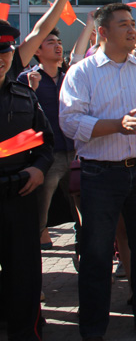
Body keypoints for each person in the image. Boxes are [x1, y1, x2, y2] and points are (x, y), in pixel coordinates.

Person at [58, 3, 136, 339]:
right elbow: (70, 121)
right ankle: (93, 326)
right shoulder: (82, 72)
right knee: (97, 252)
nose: (131, 29)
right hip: (100, 175)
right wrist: (115, 126)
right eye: (123, 24)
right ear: (103, 32)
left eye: (133, 23)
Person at [0, 21, 55, 341]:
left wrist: (38, 169)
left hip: (20, 192)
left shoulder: (23, 94)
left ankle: (25, 332)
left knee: (23, 272)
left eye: (5, 51)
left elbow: (44, 142)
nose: (2, 58)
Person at [18, 28, 78, 249]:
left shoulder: (69, 77)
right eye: (50, 42)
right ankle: (32, 258)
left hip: (74, 153)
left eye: (59, 41)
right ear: (38, 51)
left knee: (82, 211)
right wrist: (30, 91)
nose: (58, 45)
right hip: (46, 157)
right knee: (39, 212)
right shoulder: (27, 78)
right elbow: (22, 116)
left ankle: (83, 255)